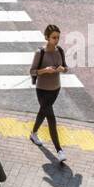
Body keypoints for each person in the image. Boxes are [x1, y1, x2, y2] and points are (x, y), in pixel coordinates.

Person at [29, 24, 68, 162]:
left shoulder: (60, 51)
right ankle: (59, 150)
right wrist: (45, 70)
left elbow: (66, 67)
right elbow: (32, 71)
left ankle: (33, 133)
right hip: (42, 90)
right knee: (51, 118)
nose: (56, 40)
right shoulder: (40, 53)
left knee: (43, 112)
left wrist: (61, 69)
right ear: (47, 37)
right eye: (53, 37)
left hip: (55, 89)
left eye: (58, 37)